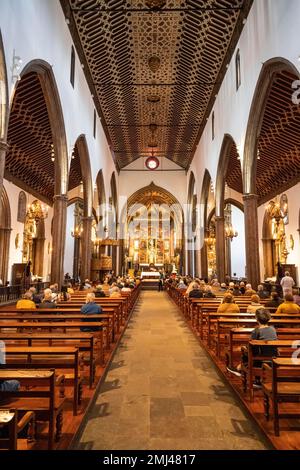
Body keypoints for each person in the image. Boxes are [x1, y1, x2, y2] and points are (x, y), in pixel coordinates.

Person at [227, 309, 277, 382]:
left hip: (259, 359)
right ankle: (241, 369)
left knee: (246, 351)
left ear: (256, 318)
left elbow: (250, 346)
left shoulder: (256, 331)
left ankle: (241, 369)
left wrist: (244, 348)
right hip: (272, 356)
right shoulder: (273, 329)